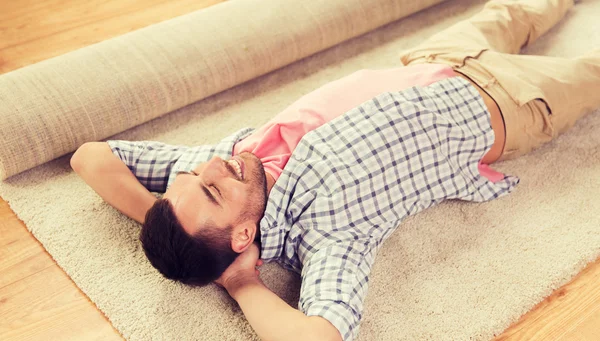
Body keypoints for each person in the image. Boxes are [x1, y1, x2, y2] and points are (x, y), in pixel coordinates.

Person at [70, 0, 600, 340]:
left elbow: (90, 158)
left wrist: (164, 214)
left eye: (193, 180)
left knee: (520, 8)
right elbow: (319, 335)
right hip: (505, 104)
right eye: (211, 191)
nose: (211, 166)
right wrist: (240, 282)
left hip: (434, 60)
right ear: (242, 235)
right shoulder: (327, 232)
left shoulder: (220, 168)